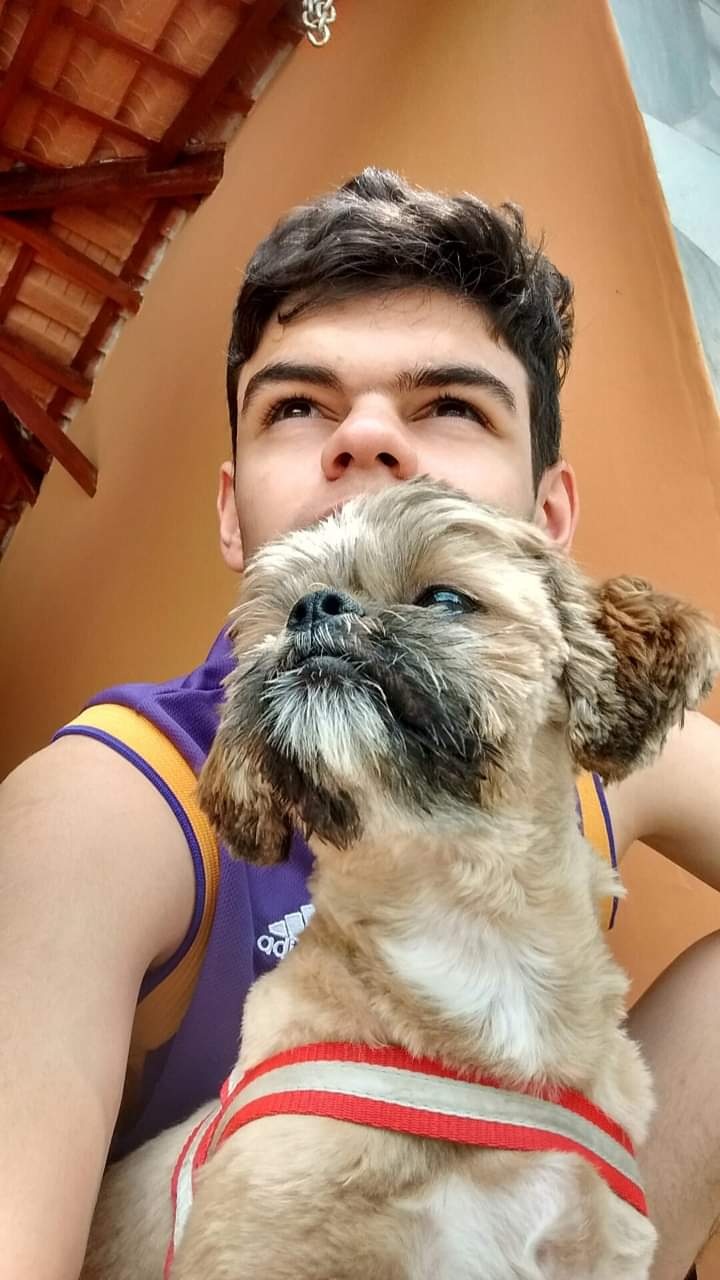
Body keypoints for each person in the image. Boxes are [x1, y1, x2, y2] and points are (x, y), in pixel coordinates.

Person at [1, 168, 718, 1280]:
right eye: (298, 406)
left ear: (548, 519)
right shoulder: (103, 811)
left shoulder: (586, 732)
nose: (368, 438)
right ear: (233, 512)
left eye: (451, 405)